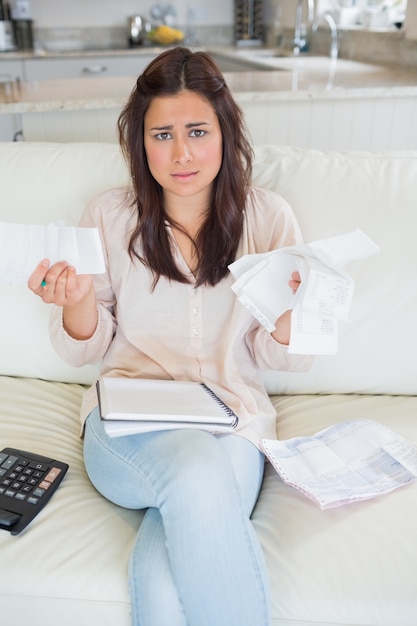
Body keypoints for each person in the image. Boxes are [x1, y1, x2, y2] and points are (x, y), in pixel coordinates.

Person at [28, 47, 311, 626]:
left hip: (234, 423)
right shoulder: (110, 217)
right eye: (162, 135)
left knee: (164, 572)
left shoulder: (269, 218)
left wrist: (297, 306)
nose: (181, 154)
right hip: (126, 425)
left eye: (197, 131)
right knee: (195, 470)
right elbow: (86, 346)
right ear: (141, 142)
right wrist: (78, 300)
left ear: (226, 133)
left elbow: (279, 355)